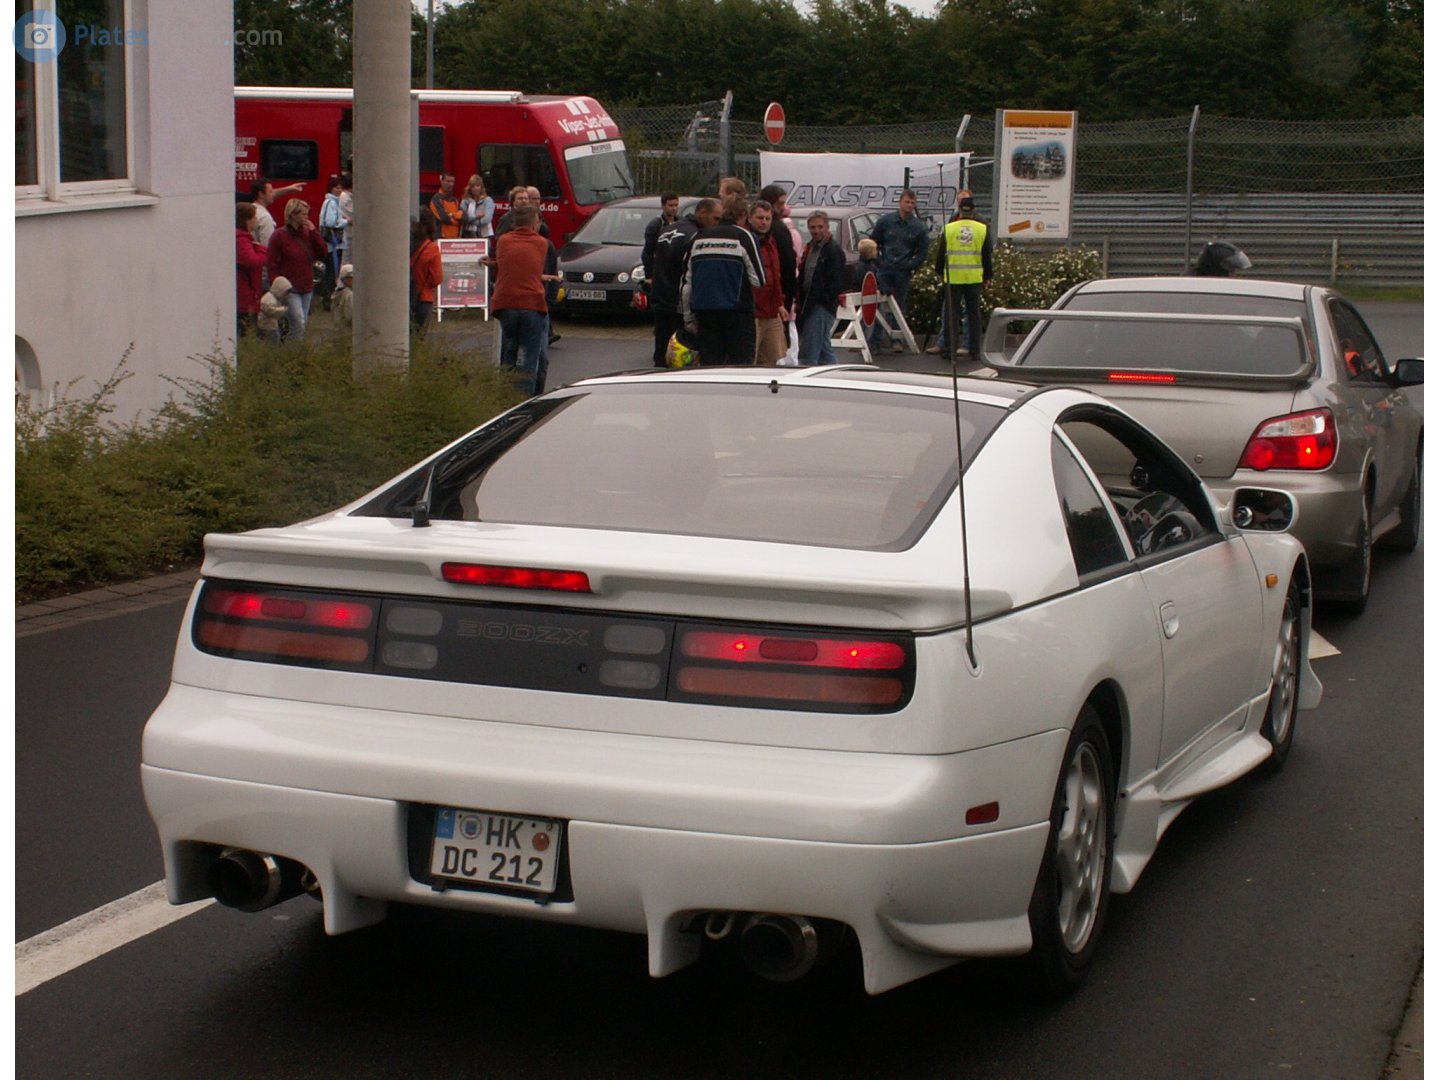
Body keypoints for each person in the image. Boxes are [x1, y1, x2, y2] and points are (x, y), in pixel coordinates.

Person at [681, 192, 765, 366]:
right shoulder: (744, 236)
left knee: (710, 367)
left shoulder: (698, 237)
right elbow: (759, 280)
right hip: (738, 312)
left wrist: (688, 317)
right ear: (744, 215)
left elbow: (686, 284)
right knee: (741, 367)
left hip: (705, 313)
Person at [491, 203, 553, 395]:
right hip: (531, 304)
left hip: (506, 303)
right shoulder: (542, 243)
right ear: (535, 223)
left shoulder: (503, 241)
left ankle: (504, 397)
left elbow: (510, 265)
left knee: (508, 353)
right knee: (528, 358)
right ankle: (525, 402)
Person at [649, 198, 718, 368]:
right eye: (715, 218)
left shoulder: (668, 229)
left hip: (661, 299)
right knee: (682, 355)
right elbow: (690, 273)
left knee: (661, 353)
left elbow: (651, 258)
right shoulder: (696, 236)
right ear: (702, 213)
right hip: (679, 303)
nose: (717, 223)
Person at [868, 189, 930, 352]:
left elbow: (923, 252)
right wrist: (878, 262)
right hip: (884, 269)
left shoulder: (918, 227)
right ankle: (875, 341)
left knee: (899, 306)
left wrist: (911, 265)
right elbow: (872, 243)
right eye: (907, 202)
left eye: (912, 203)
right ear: (900, 202)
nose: (909, 205)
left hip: (903, 271)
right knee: (879, 304)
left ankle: (897, 341)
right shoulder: (885, 222)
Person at [934, 190, 994, 358]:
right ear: (973, 210)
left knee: (951, 315)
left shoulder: (949, 228)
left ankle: (948, 350)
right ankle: (974, 350)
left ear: (959, 209)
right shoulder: (981, 228)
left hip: (952, 278)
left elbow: (941, 254)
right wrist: (987, 276)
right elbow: (986, 254)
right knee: (974, 314)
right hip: (974, 278)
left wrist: (940, 272)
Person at [265, 199, 328, 343]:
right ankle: (294, 355)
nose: (306, 217)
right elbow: (272, 262)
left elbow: (322, 252)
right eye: (303, 214)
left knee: (302, 324)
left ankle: (294, 352)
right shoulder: (279, 236)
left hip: (306, 285)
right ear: (293, 214)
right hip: (289, 288)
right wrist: (276, 285)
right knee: (298, 324)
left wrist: (314, 233)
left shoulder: (308, 234)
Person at [795, 210, 846, 366]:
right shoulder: (810, 247)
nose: (816, 231)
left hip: (821, 305)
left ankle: (805, 375)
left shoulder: (833, 250)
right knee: (823, 349)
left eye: (820, 227)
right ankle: (836, 377)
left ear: (827, 227)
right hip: (810, 303)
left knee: (809, 350)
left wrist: (823, 299)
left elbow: (837, 282)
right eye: (812, 227)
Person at [748, 199, 794, 364]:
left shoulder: (772, 242)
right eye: (760, 218)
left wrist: (780, 303)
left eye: (767, 218)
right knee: (748, 362)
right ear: (750, 218)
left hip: (772, 311)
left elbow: (776, 276)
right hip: (752, 312)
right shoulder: (747, 241)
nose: (764, 222)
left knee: (775, 361)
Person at [235, 202, 269, 340]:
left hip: (247, 293)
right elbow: (253, 262)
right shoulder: (242, 240)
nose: (256, 220)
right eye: (254, 217)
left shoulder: (243, 238)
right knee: (248, 334)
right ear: (247, 220)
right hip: (246, 295)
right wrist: (261, 250)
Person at [409, 214, 444, 334]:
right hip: (423, 296)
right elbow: (437, 278)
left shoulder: (404, 246)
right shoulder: (431, 248)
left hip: (404, 297)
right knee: (419, 336)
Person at [641, 191, 681, 291]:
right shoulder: (656, 225)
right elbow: (648, 252)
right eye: (670, 205)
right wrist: (649, 276)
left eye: (676, 205)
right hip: (661, 271)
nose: (674, 208)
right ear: (663, 206)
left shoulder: (681, 223)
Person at [248, 178, 303, 248]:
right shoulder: (265, 217)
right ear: (261, 194)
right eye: (270, 192)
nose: (273, 194)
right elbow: (268, 246)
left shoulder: (250, 211)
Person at [318, 174, 347, 307]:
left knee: (332, 270)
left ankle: (328, 297)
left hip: (333, 243)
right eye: (336, 187)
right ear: (331, 188)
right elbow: (330, 222)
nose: (339, 190)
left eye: (340, 187)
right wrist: (346, 222)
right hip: (333, 243)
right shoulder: (331, 203)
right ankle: (328, 299)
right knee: (332, 271)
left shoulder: (333, 202)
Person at [854, 236, 885, 351]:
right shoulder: (865, 267)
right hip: (868, 298)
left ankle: (872, 342)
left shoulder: (869, 265)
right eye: (875, 250)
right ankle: (869, 342)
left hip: (870, 297)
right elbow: (867, 281)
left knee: (874, 319)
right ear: (870, 252)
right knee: (869, 321)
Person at [256, 276, 292, 344]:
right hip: (266, 326)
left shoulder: (274, 298)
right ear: (280, 290)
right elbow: (269, 310)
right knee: (274, 343)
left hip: (269, 325)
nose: (286, 296)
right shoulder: (269, 299)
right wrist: (283, 310)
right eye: (285, 293)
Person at [429, 172, 463, 240]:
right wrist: (456, 218)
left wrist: (451, 215)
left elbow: (464, 216)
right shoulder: (436, 198)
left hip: (454, 238)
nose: (451, 184)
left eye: (452, 182)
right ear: (442, 182)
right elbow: (444, 218)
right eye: (448, 181)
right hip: (440, 238)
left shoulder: (455, 200)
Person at [460, 174, 495, 239]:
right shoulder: (465, 201)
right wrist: (476, 216)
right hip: (468, 235)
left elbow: (487, 219)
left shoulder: (488, 200)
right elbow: (463, 217)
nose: (475, 188)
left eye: (477, 186)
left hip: (484, 235)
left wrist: (471, 221)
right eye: (473, 186)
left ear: (481, 187)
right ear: (469, 188)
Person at [332, 263, 354, 329]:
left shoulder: (337, 293)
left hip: (337, 328)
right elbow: (350, 316)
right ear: (345, 279)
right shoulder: (349, 294)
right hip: (346, 330)